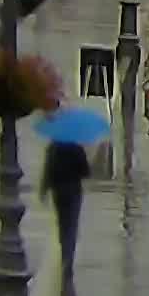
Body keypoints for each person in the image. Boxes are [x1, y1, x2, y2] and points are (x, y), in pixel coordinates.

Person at [40, 111, 92, 284]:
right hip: (74, 192)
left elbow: (48, 170)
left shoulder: (54, 147)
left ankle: (64, 257)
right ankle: (67, 261)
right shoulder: (77, 148)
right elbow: (86, 172)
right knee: (71, 226)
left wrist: (44, 189)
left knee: (62, 225)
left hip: (58, 191)